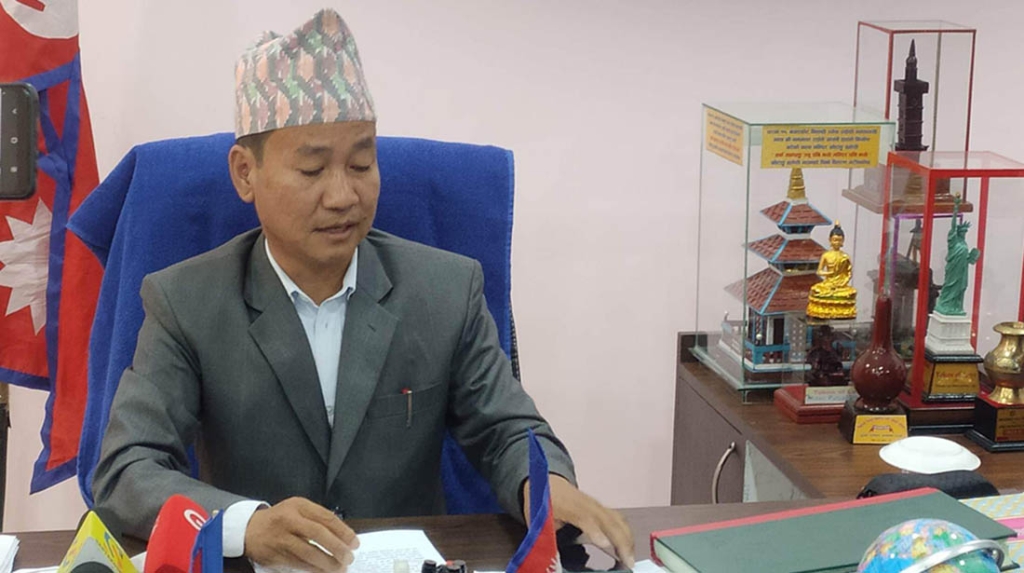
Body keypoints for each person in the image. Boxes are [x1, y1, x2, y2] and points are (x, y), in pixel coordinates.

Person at [92, 9, 633, 573]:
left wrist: (546, 486)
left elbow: (506, 429)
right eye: (312, 170)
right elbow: (127, 469)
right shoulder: (187, 302)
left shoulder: (445, 290)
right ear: (245, 173)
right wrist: (246, 525)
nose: (343, 196)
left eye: (361, 164)